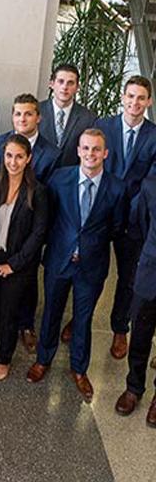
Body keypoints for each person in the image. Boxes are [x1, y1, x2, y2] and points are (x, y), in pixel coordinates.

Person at [27, 129, 125, 402]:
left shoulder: (117, 188)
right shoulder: (59, 179)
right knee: (51, 313)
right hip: (59, 260)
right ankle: (43, 360)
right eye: (86, 148)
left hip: (92, 266)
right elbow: (50, 218)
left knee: (83, 319)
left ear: (105, 153)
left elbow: (117, 227)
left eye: (96, 149)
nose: (90, 154)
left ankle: (79, 370)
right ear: (78, 151)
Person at [67, 76, 156, 360]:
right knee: (93, 272)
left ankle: (120, 327)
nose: (135, 102)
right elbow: (89, 164)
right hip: (99, 214)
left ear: (149, 102)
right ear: (122, 97)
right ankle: (79, 318)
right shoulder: (103, 126)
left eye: (141, 98)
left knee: (128, 276)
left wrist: (129, 209)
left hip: (134, 220)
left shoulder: (155, 136)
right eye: (130, 96)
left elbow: (150, 183)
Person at [0, 94, 61, 346]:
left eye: (28, 113)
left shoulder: (51, 153)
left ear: (38, 117)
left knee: (26, 285)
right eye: (18, 113)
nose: (22, 118)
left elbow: (49, 196)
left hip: (27, 227)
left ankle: (26, 324)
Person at [0, 134, 48, 381]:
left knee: (9, 314)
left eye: (19, 156)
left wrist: (13, 265)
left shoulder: (37, 192)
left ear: (28, 158)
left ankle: (4, 357)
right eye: (9, 155)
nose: (13, 162)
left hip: (18, 264)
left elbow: (38, 234)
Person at [114, 174, 156, 426]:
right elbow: (139, 225)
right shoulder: (151, 184)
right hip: (150, 271)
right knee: (140, 333)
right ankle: (134, 387)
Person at [38, 64, 97, 167]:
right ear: (51, 84)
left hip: (69, 178)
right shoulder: (36, 111)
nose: (65, 87)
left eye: (70, 83)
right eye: (61, 81)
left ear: (77, 87)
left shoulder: (88, 118)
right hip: (37, 177)